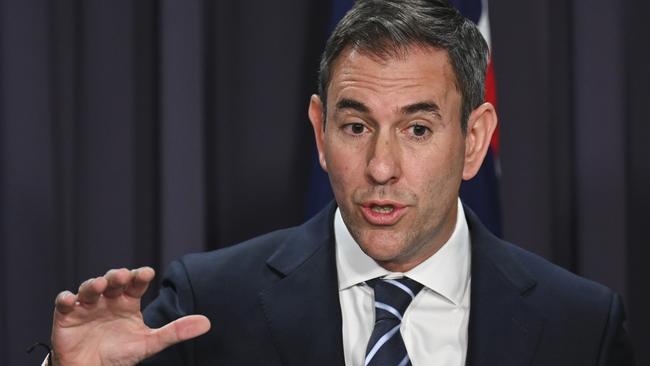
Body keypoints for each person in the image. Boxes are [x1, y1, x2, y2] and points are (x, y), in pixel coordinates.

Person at [47, 0, 634, 365]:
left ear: (474, 140)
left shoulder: (579, 326)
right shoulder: (210, 304)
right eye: (355, 125)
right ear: (319, 132)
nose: (381, 167)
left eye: (418, 129)